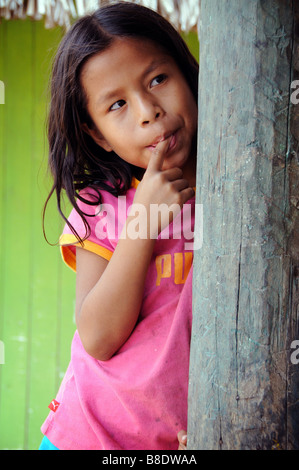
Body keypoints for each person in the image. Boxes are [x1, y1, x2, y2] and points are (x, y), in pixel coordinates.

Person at [40, 1, 198, 450]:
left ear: (186, 72)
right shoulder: (101, 205)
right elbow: (99, 337)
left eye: (158, 79)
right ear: (96, 132)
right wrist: (144, 218)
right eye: (118, 105)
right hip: (88, 436)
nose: (149, 110)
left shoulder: (241, 193)